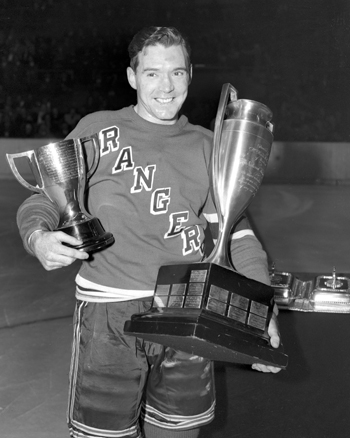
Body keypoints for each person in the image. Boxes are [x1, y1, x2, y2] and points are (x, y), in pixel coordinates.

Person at [16, 26, 281, 438]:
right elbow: (45, 200)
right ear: (132, 77)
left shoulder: (209, 146)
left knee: (177, 431)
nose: (165, 85)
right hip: (109, 315)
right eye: (152, 73)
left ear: (190, 75)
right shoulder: (98, 130)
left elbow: (238, 234)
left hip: (185, 311)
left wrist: (260, 314)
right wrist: (39, 237)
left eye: (176, 72)